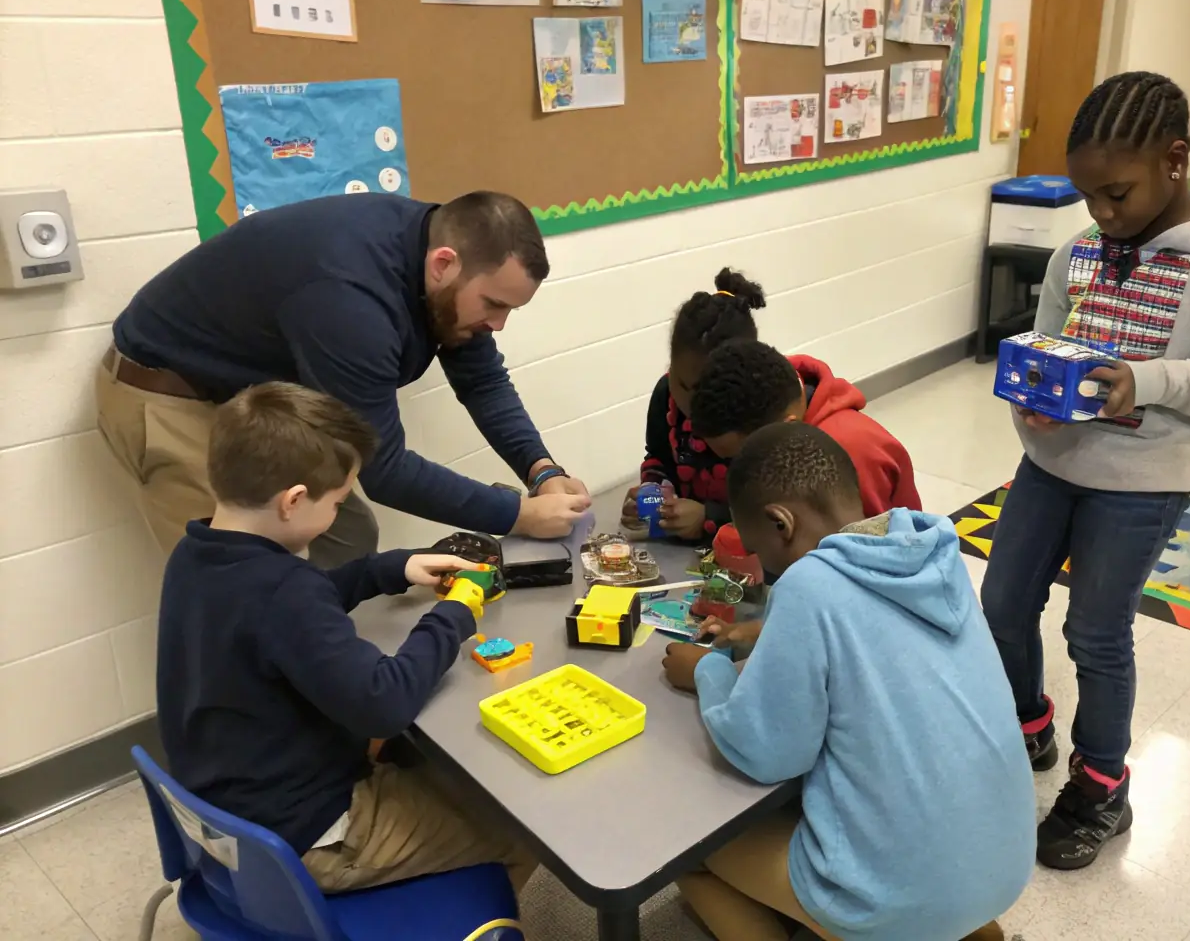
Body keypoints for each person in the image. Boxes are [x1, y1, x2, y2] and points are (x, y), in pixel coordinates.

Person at [980, 71, 1190, 870]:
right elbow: (1044, 342)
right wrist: (1029, 401)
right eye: (1090, 199)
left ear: (1174, 159)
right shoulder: (1078, 252)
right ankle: (1026, 724)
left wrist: (1146, 380)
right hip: (1050, 463)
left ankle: (1101, 785)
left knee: (1096, 632)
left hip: (1142, 480)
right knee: (1002, 602)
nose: (1103, 215)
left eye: (1117, 193)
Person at [157, 382, 537, 894]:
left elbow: (286, 610)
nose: (339, 512)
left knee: (422, 760)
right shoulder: (284, 592)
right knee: (521, 827)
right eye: (338, 501)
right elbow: (386, 702)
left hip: (228, 812)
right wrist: (455, 612)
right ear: (293, 501)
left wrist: (391, 567)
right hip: (308, 838)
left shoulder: (196, 553)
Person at [660, 422, 1033, 941]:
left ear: (780, 523)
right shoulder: (932, 553)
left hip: (893, 895)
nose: (766, 571)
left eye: (759, 553)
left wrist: (707, 672)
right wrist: (768, 637)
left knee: (684, 850)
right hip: (1005, 866)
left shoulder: (808, 584)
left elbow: (768, 753)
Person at [97, 191, 591, 567]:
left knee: (346, 537)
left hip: (253, 400)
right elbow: (386, 469)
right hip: (171, 396)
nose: (499, 324)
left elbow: (481, 380)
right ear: (444, 264)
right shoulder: (349, 297)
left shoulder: (441, 258)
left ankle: (326, 676)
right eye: (494, 305)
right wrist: (518, 515)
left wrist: (541, 472)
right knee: (236, 583)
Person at [688, 339, 922, 516]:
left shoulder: (849, 454)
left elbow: (875, 556)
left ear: (786, 427)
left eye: (738, 457)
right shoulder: (779, 396)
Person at [622, 268, 767, 541]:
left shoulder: (761, 415)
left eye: (704, 391)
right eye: (683, 385)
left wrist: (709, 517)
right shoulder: (666, 396)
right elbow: (659, 457)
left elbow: (775, 510)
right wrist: (653, 493)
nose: (691, 403)